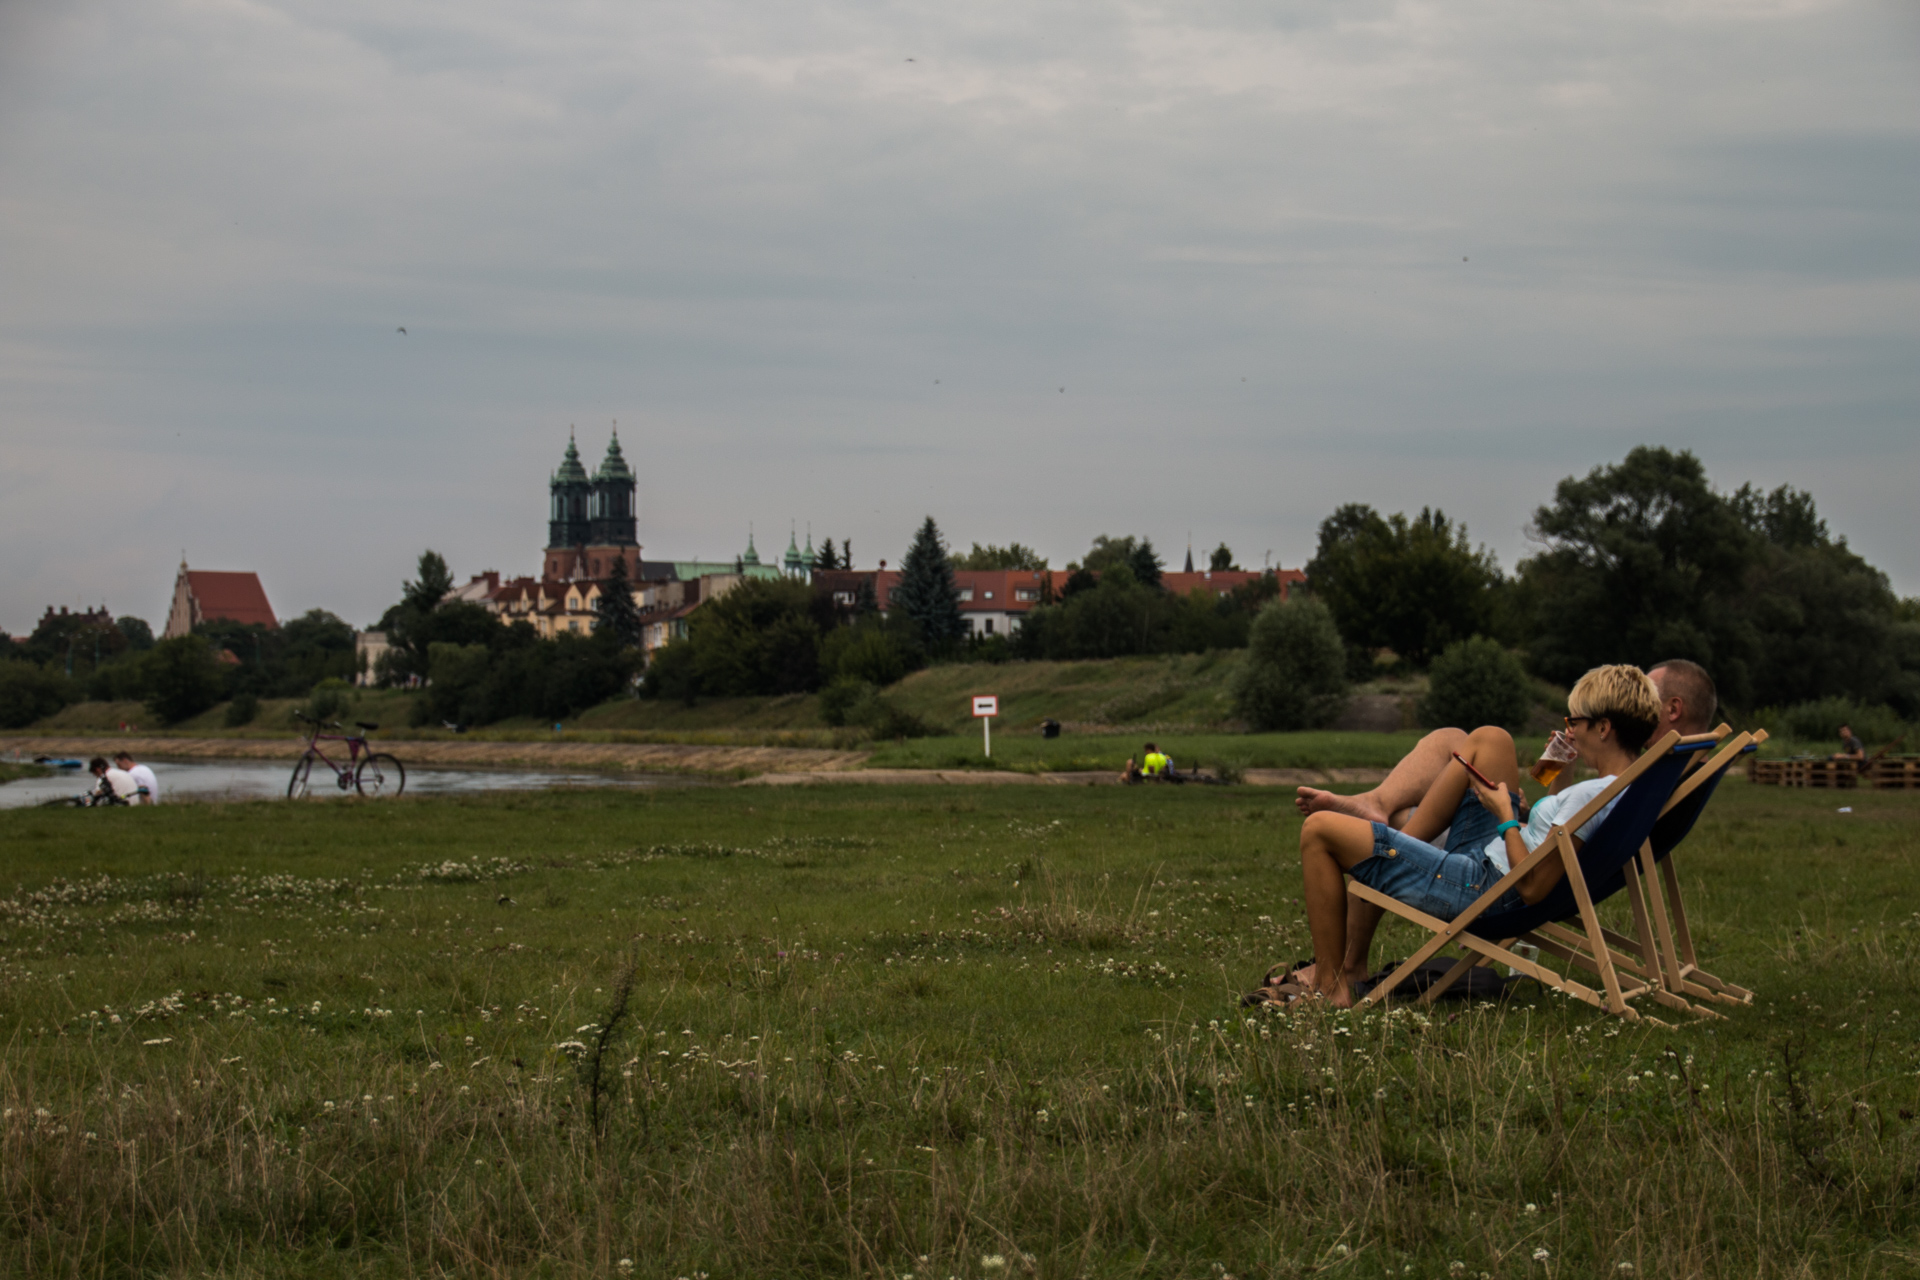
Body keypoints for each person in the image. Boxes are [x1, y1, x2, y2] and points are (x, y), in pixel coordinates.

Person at [1274, 665, 1664, 1008]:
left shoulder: (1591, 798)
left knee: (1320, 830)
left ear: (1603, 727)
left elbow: (1530, 887)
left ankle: (1332, 986)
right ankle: (1385, 824)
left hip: (1485, 887)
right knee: (1487, 739)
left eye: (1574, 721)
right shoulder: (1624, 789)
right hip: (1495, 859)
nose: (1570, 729)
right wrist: (1558, 774)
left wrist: (1507, 817)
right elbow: (1559, 836)